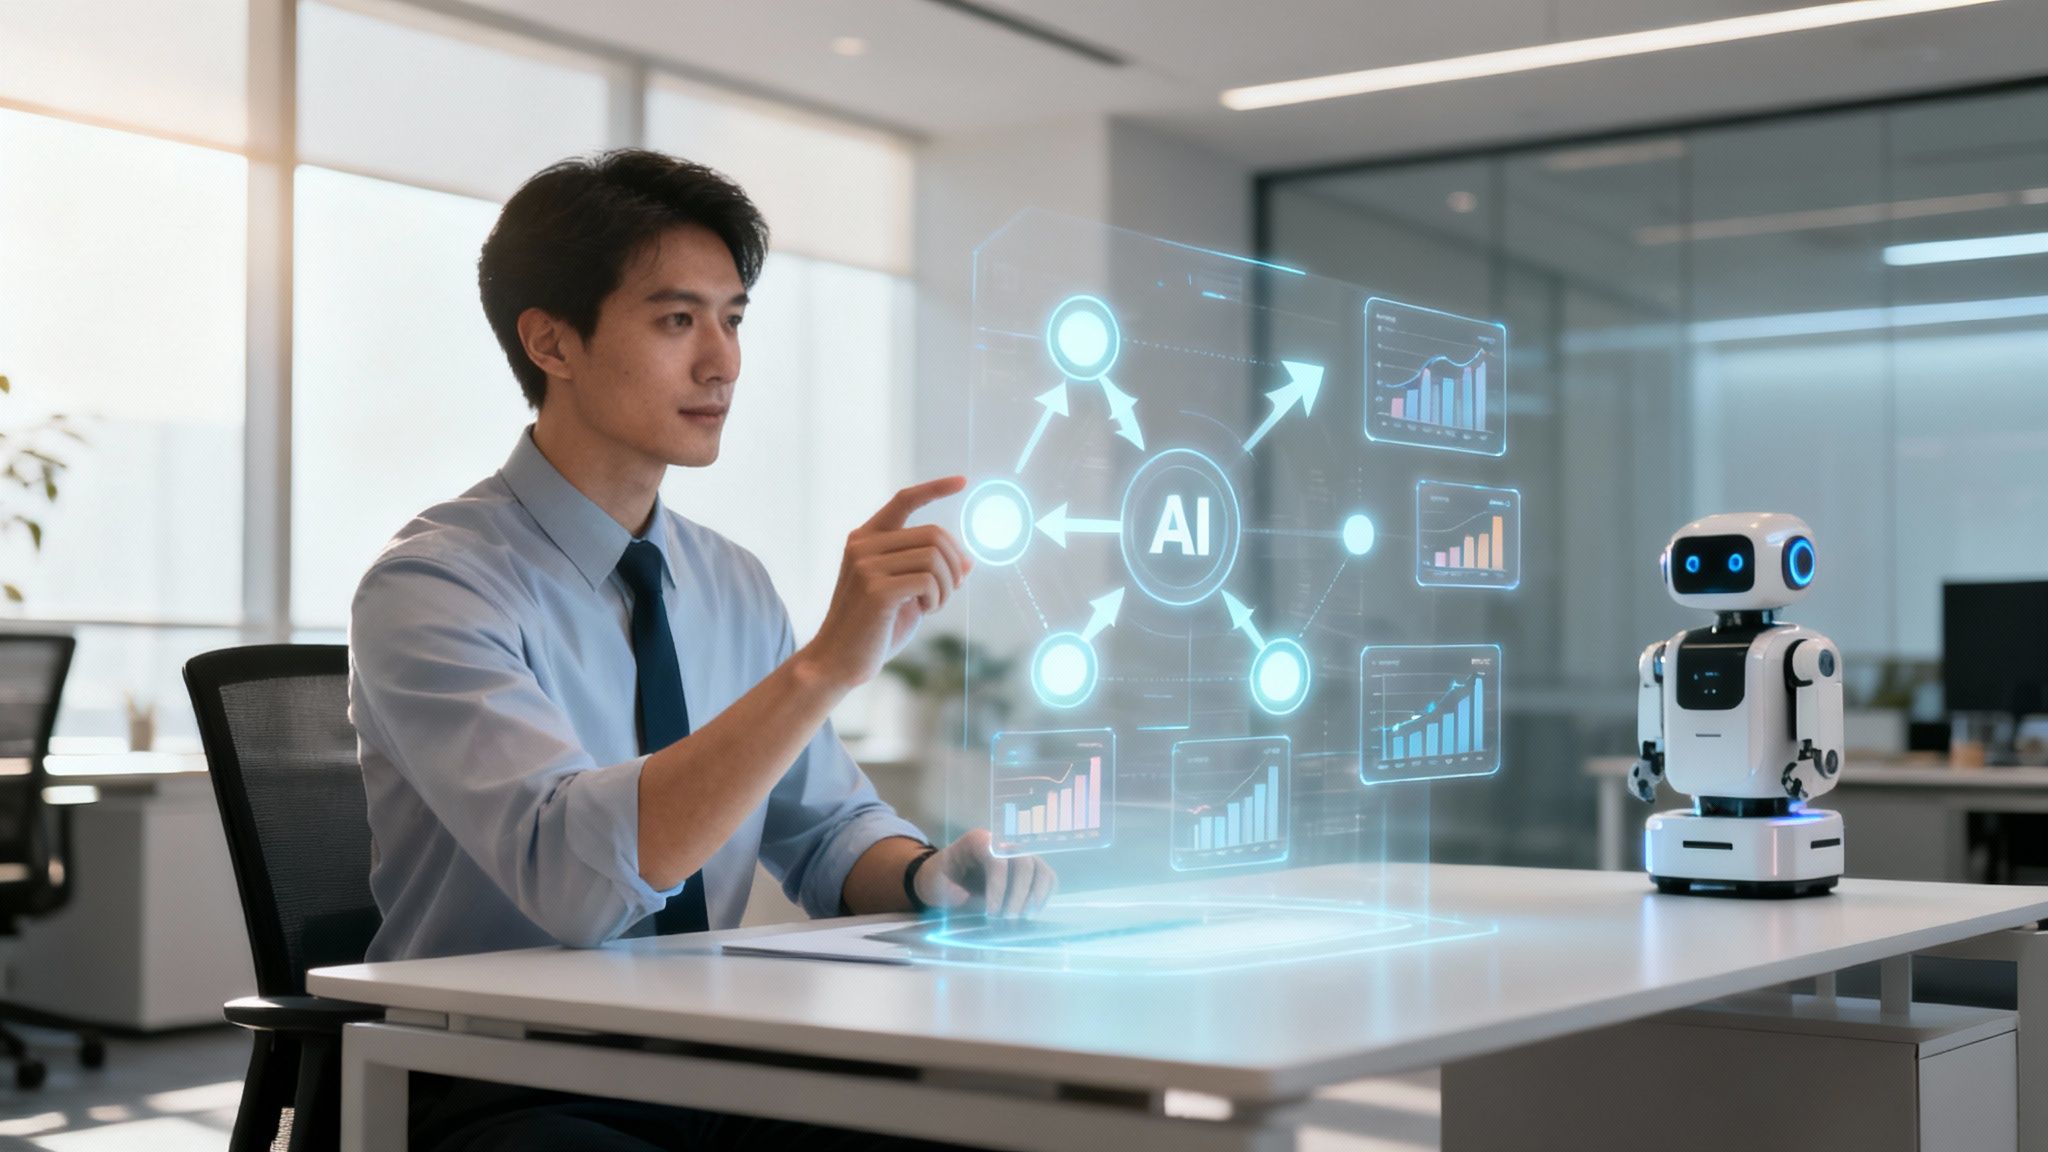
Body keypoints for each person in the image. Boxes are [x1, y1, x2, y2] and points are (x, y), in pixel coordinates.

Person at [346, 148, 1052, 1151]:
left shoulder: (731, 581)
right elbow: (574, 884)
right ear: (550, 340)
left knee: (1017, 1121)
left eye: (732, 318)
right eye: (677, 320)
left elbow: (824, 831)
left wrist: (928, 875)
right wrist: (822, 669)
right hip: (505, 1076)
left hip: (718, 1059)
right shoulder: (436, 583)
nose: (720, 361)